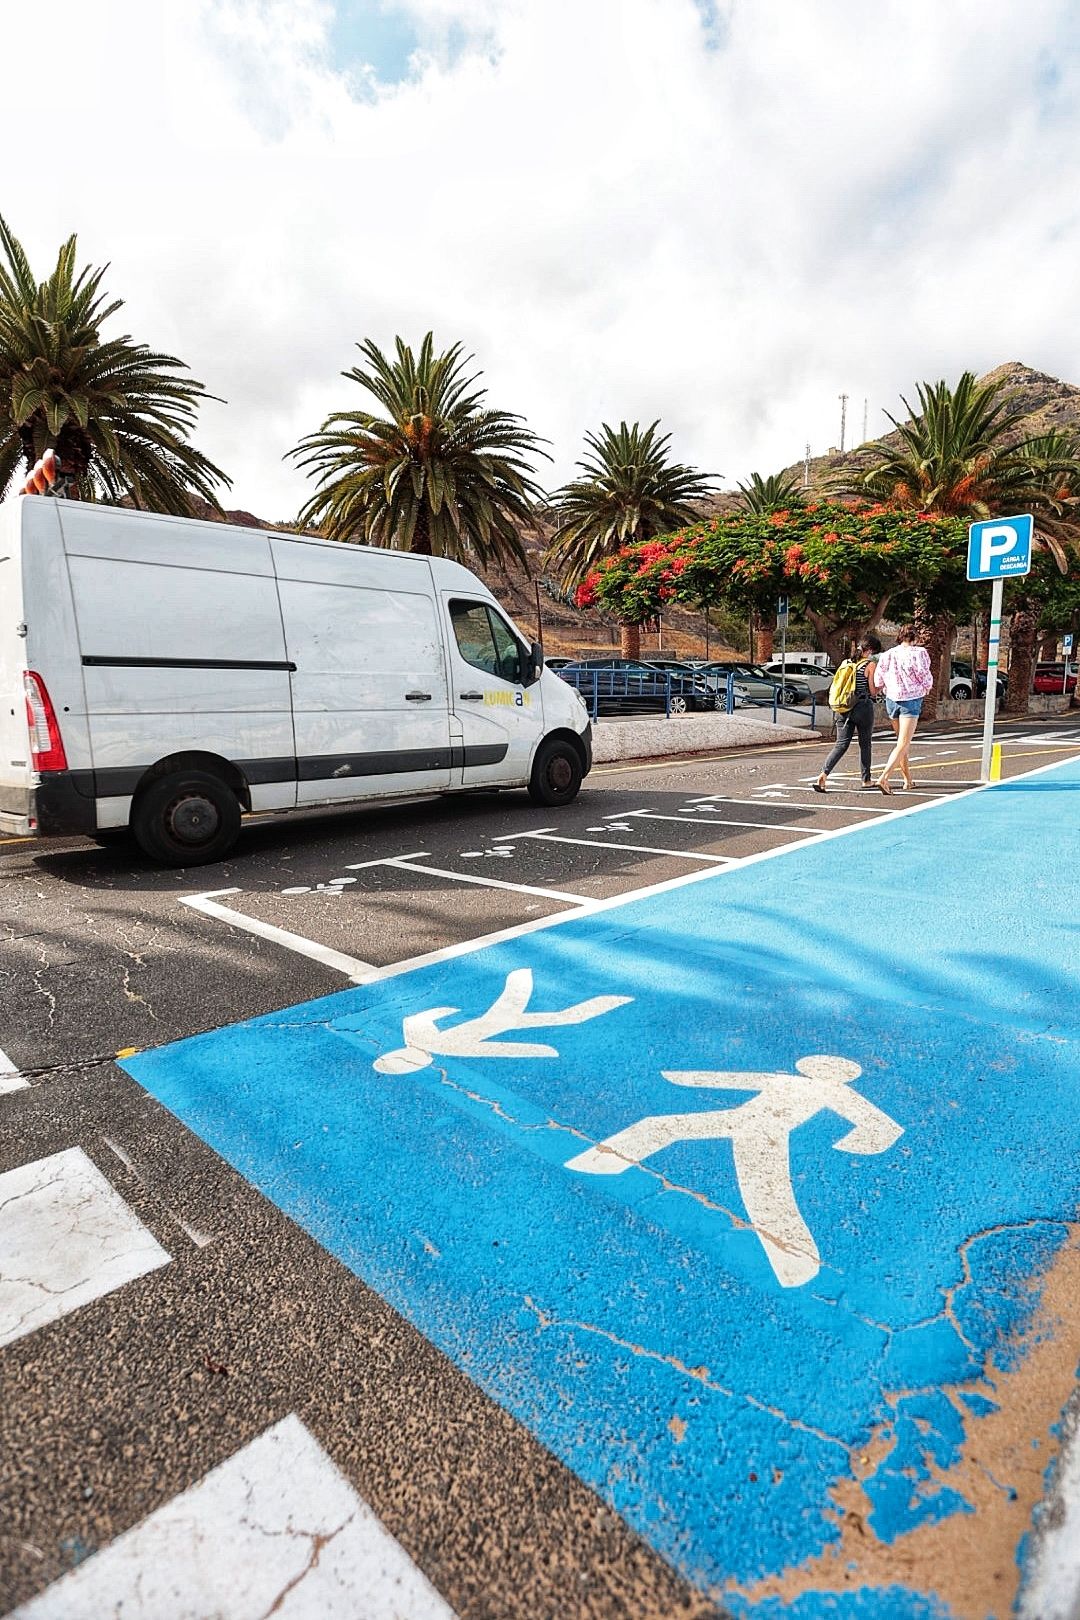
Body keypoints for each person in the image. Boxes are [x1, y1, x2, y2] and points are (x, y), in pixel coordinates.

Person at [814, 634, 882, 792]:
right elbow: (872, 691)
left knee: (841, 745)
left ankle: (823, 774)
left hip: (844, 707)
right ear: (870, 650)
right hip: (862, 707)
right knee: (865, 744)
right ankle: (866, 780)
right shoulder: (870, 665)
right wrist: (879, 688)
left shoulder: (846, 663)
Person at [872, 625, 934, 793]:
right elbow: (924, 674)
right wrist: (927, 687)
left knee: (901, 743)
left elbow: (878, 679)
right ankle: (884, 777)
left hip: (891, 699)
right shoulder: (919, 653)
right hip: (911, 699)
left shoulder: (888, 654)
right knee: (904, 743)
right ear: (915, 638)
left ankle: (907, 779)